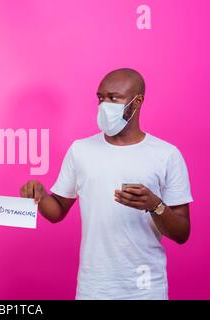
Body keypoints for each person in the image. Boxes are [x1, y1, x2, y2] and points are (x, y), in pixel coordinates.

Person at [20, 68, 193, 299]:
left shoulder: (166, 154)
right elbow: (57, 211)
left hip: (146, 288)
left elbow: (182, 233)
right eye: (100, 98)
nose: (104, 105)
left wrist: (155, 205)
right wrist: (40, 196)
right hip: (94, 287)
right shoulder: (80, 150)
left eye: (113, 98)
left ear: (137, 102)